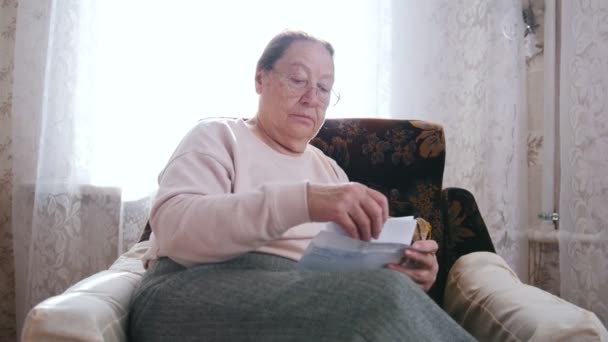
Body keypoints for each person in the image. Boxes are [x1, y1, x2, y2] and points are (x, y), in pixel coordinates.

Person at [128, 30, 474, 341]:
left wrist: (405, 269)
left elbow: (353, 268)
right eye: (297, 79)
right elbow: (175, 230)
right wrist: (306, 200)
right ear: (260, 79)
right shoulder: (217, 136)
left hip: (304, 292)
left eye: (324, 87)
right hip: (190, 287)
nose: (312, 97)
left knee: (388, 291)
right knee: (381, 297)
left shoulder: (331, 170)